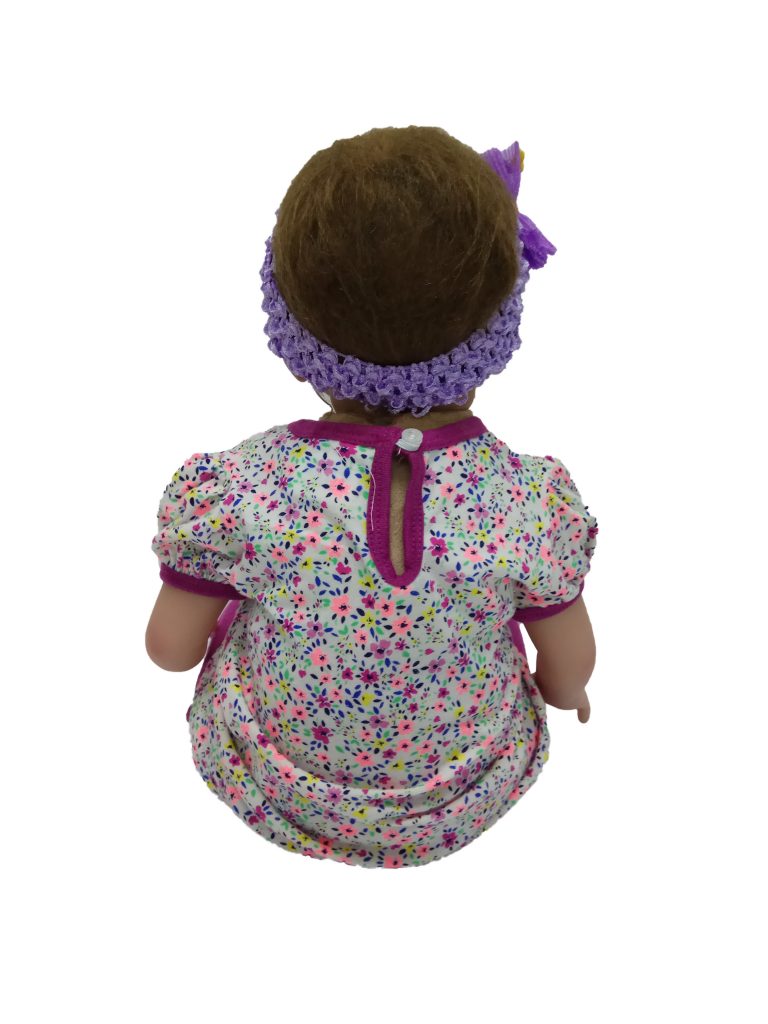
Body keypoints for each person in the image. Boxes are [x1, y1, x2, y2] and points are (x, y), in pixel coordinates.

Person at [146, 126, 599, 869]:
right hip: (464, 792)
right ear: (498, 326)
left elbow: (170, 650)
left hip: (278, 785)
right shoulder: (526, 504)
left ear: (295, 331)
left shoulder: (242, 492)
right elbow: (570, 662)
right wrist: (562, 690)